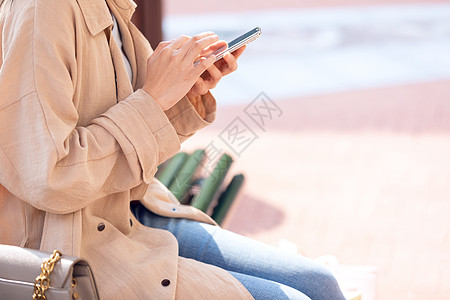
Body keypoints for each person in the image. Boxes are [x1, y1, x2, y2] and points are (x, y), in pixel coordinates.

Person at [0, 0, 346, 299]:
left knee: (319, 283)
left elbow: (132, 137)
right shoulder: (43, 11)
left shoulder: (112, 8)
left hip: (137, 210)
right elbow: (49, 175)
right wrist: (153, 99)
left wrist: (182, 92)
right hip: (79, 242)